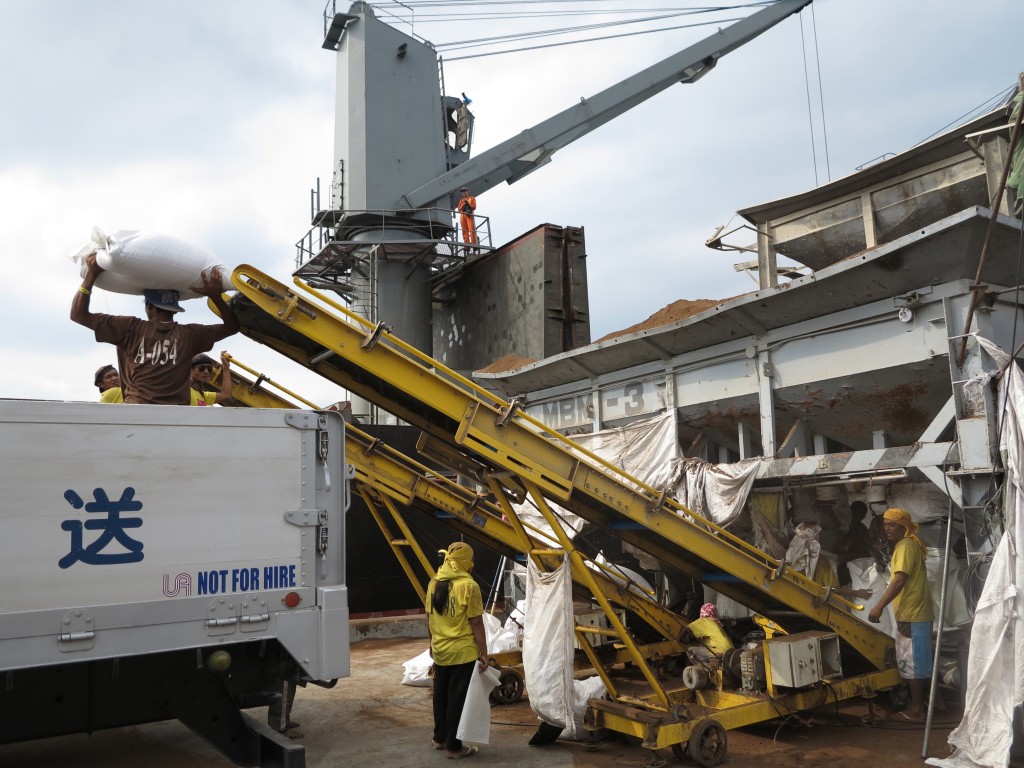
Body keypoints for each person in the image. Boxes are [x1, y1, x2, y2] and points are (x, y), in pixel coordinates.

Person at [71, 253, 239, 405]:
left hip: (137, 410)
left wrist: (91, 275)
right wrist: (216, 297)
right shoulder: (190, 335)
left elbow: (78, 315)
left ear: (149, 306)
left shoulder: (129, 327)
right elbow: (232, 327)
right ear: (175, 309)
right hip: (177, 415)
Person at [868, 508, 938, 720]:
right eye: (885, 524)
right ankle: (938, 703)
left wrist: (879, 606)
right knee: (921, 658)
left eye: (892, 525)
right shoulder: (909, 544)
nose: (887, 529)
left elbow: (899, 580)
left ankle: (916, 709)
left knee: (913, 661)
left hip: (912, 612)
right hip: (916, 612)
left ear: (903, 527)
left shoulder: (905, 546)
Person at [426, 541, 490, 759]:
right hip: (463, 652)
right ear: (465, 562)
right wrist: (484, 653)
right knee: (457, 699)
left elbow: (429, 617)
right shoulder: (469, 586)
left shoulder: (434, 582)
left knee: (441, 695)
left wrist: (431, 644)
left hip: (440, 650)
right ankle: (454, 747)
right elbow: (476, 623)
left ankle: (439, 738)